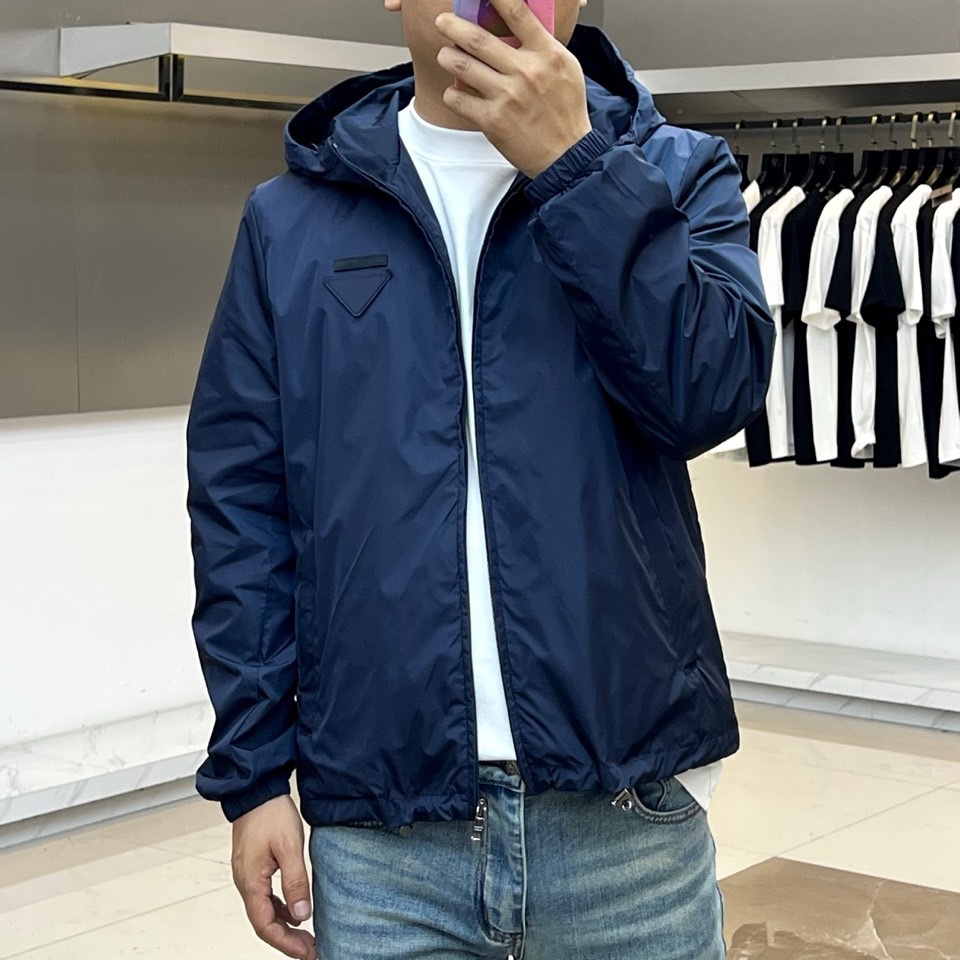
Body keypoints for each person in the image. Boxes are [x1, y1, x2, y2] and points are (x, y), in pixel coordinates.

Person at [185, 0, 775, 957]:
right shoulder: (290, 219)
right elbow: (243, 513)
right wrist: (251, 778)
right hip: (382, 841)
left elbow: (712, 393)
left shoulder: (671, 171)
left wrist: (576, 168)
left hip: (627, 825)